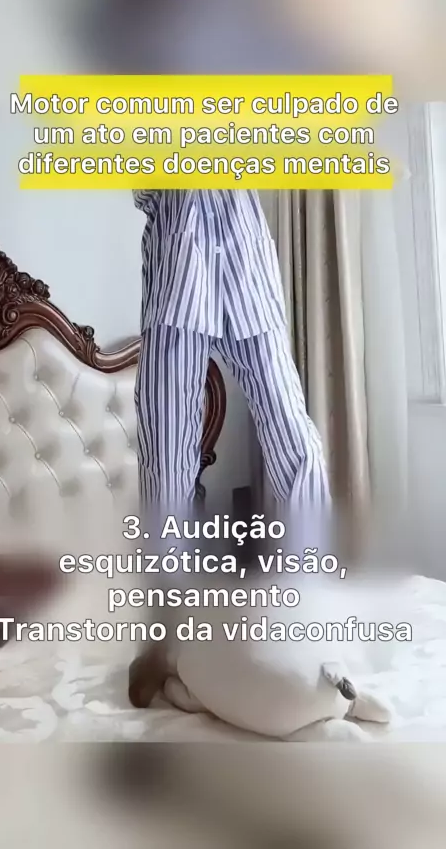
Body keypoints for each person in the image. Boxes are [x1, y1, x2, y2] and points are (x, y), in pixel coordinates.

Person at [128, 189, 331, 708]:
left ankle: (308, 608)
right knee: (167, 470)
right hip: (179, 278)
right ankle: (167, 635)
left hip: (247, 273)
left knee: (297, 444)